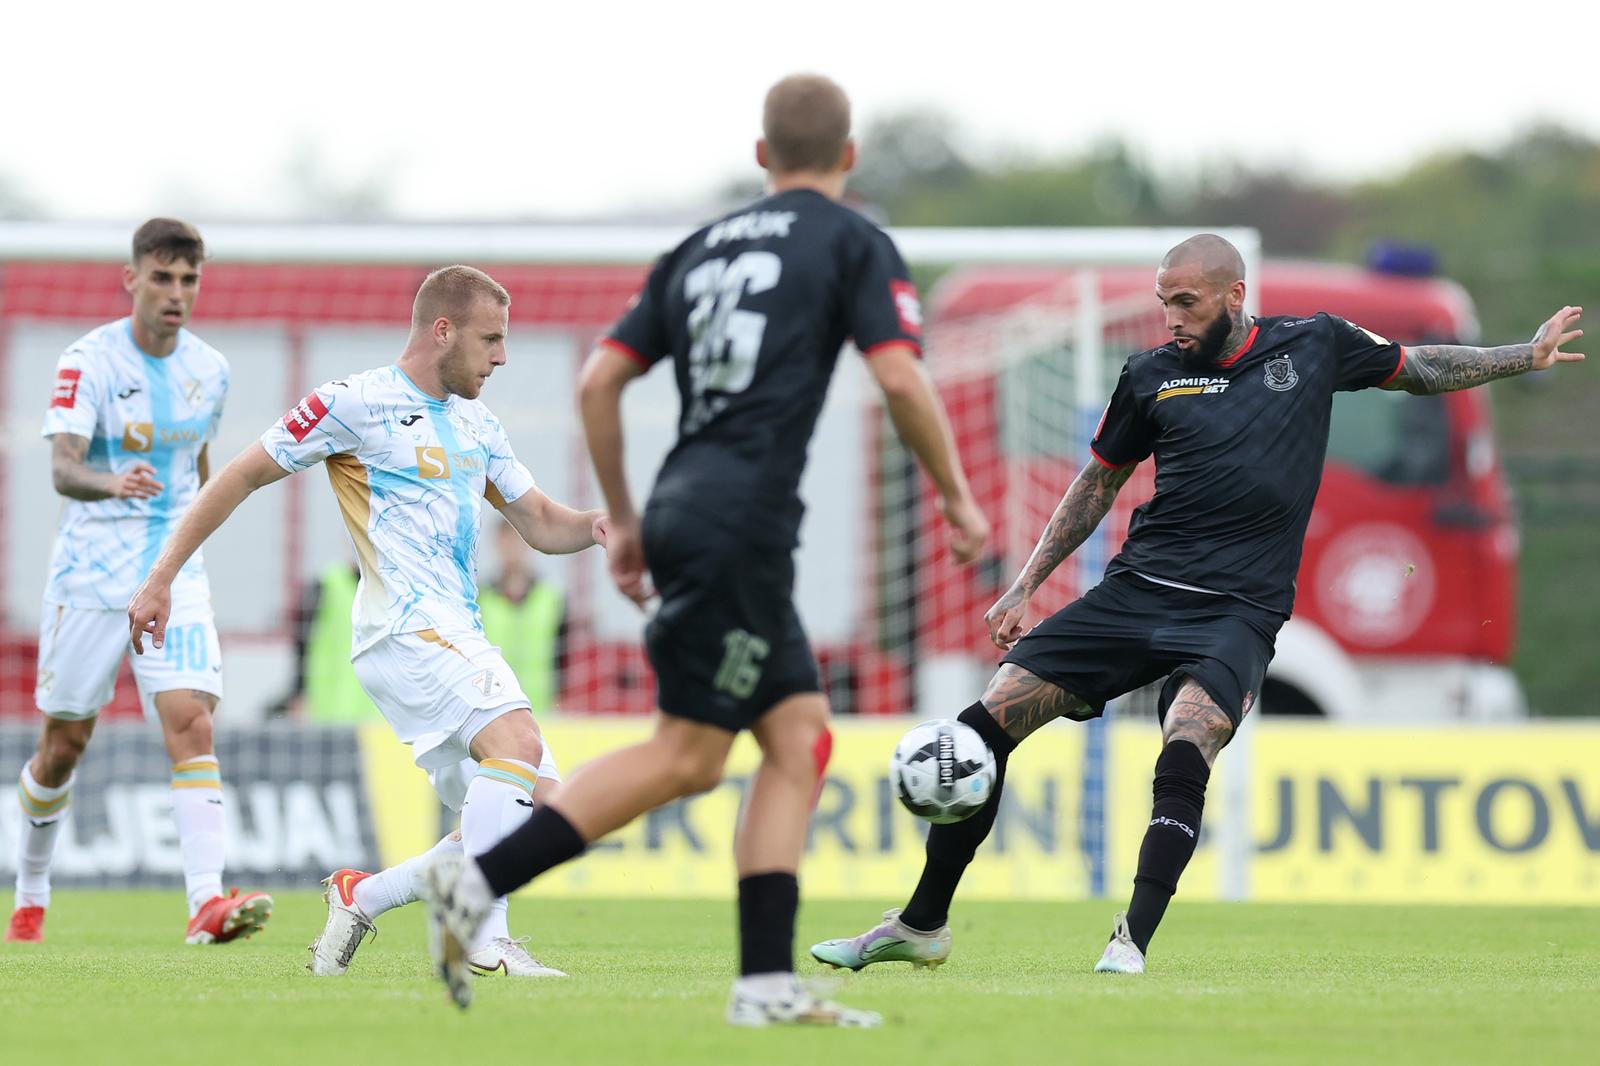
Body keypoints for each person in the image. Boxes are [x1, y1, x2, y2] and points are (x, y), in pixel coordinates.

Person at [810, 234, 1585, 975]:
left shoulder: (1313, 344)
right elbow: (1098, 483)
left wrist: (1525, 354)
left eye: (1185, 301)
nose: (1171, 317)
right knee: (985, 725)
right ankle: (920, 926)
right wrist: (1025, 586)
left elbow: (1421, 366)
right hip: (1138, 591)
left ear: (1234, 295)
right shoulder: (1151, 373)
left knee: (1188, 739)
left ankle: (1131, 938)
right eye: (1163, 302)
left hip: (1238, 610)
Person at [419, 73, 989, 1026]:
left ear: (762, 159)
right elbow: (899, 376)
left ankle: (765, 984)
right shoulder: (854, 239)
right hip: (745, 523)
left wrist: (630, 519)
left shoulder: (698, 247)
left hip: (688, 505)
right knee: (687, 755)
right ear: (848, 158)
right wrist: (960, 499)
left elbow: (599, 383)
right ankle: (478, 884)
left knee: (797, 736)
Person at [126, 265, 610, 978]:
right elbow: (239, 476)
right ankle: (482, 934)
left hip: (455, 633)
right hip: (402, 626)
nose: (502, 357)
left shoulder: (478, 421)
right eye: (491, 339)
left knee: (543, 812)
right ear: (442, 329)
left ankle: (364, 895)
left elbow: (539, 522)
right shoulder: (355, 403)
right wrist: (162, 576)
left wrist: (600, 525)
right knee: (517, 740)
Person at [6, 219, 273, 946]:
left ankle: (205, 906)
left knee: (190, 718)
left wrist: (194, 543)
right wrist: (112, 481)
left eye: (189, 280)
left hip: (174, 570)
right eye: (162, 277)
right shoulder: (87, 360)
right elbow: (63, 469)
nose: (176, 293)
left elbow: (201, 470)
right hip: (90, 576)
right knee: (64, 745)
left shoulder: (210, 369)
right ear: (132, 279)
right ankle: (30, 891)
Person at [478, 519, 566, 715]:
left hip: (542, 707)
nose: (512, 549)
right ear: (497, 544)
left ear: (528, 545)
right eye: (506, 541)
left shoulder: (551, 597)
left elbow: (564, 655)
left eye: (517, 541)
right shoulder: (480, 597)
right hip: (494, 707)